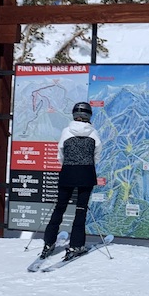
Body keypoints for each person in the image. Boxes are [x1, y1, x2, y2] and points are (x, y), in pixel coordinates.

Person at [41, 101, 103, 261]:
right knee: (81, 210)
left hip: (67, 172)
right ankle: (76, 245)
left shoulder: (66, 132)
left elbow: (60, 153)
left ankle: (49, 243)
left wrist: (68, 165)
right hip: (86, 173)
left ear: (74, 115)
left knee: (59, 208)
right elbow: (97, 155)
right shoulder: (94, 133)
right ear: (89, 115)